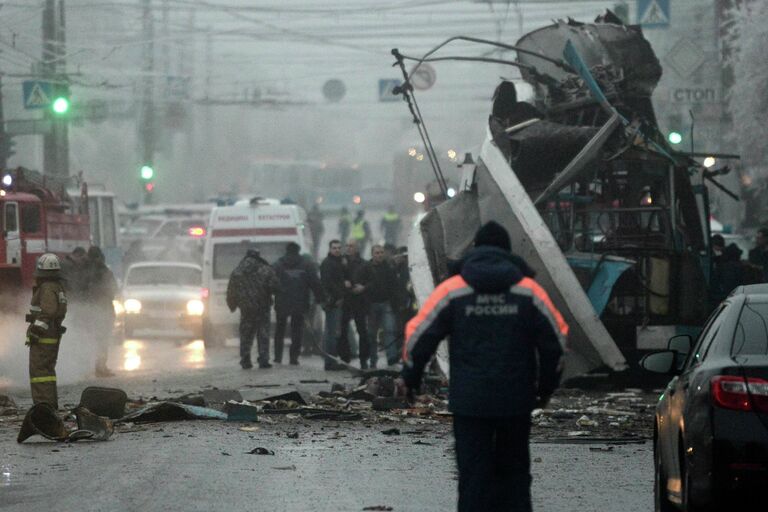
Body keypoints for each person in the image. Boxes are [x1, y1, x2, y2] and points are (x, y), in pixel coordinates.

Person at [398, 221, 567, 512]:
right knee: (514, 476)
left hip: (470, 402)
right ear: (507, 252)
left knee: (473, 477)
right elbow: (556, 341)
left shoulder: (453, 290)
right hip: (515, 400)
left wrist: (410, 378)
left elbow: (420, 335)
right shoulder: (529, 291)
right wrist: (546, 388)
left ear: (474, 249)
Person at [26, 253, 68, 409]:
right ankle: (50, 404)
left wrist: (36, 330)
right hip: (52, 334)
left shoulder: (47, 287)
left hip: (43, 336)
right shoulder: (57, 287)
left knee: (39, 372)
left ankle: (43, 406)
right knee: (47, 371)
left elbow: (48, 311)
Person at [226, 248, 280, 369]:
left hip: (246, 308)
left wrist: (232, 305)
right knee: (263, 334)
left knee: (246, 334)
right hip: (263, 308)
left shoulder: (237, 271)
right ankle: (263, 359)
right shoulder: (266, 270)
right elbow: (275, 287)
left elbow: (231, 291)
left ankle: (245, 359)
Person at [273, 242, 324, 365]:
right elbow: (315, 283)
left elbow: (270, 282)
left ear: (286, 250)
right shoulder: (306, 264)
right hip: (300, 302)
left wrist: (272, 295)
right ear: (298, 250)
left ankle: (277, 357)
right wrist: (320, 298)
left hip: (282, 302)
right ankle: (293, 357)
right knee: (297, 330)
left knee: (279, 330)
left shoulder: (278, 265)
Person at [356, 245, 398, 368]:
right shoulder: (365, 267)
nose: (379, 255)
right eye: (377, 253)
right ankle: (373, 360)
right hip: (371, 305)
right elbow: (358, 282)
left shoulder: (388, 268)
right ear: (372, 254)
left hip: (386, 303)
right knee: (371, 334)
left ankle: (392, 359)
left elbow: (394, 285)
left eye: (381, 252)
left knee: (389, 331)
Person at [83, 246, 118, 378]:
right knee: (102, 340)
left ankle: (86, 367)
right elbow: (113, 290)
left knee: (86, 339)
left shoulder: (82, 270)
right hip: (103, 309)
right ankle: (100, 367)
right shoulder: (104, 271)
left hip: (87, 309)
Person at [339, 239, 368, 366]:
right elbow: (335, 277)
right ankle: (345, 357)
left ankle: (363, 359)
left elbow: (370, 280)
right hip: (345, 300)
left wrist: (363, 287)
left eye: (351, 246)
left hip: (359, 300)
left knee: (362, 330)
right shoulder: (341, 262)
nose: (348, 248)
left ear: (357, 248)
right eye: (347, 246)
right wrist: (343, 283)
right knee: (343, 330)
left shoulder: (364, 264)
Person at [319, 240, 346, 371]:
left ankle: (330, 361)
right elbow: (328, 283)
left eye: (339, 248)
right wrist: (339, 296)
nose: (337, 250)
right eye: (334, 248)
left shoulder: (338, 262)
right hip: (332, 303)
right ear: (330, 249)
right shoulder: (328, 263)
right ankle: (330, 362)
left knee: (332, 332)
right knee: (331, 333)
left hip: (334, 301)